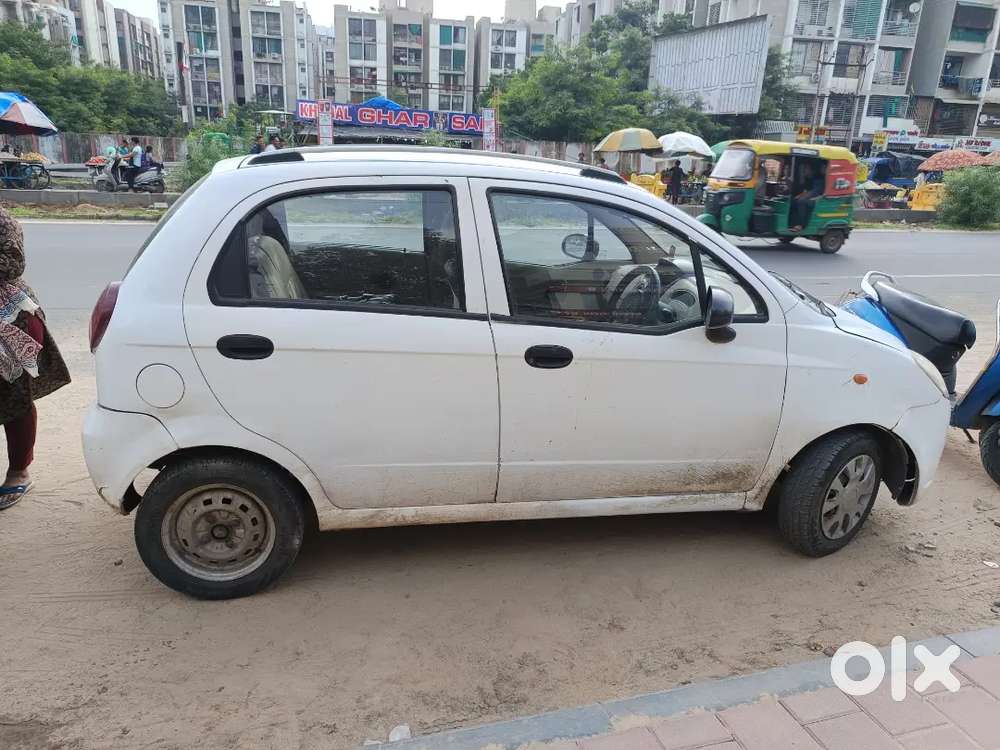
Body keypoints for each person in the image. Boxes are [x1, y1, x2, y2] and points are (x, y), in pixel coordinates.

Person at [0, 205, 70, 509]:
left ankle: (19, 471)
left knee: (14, 397)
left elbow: (13, 263)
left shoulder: (3, 221)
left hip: (10, 320)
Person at [789, 161, 824, 232]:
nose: (804, 170)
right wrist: (798, 196)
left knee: (801, 202)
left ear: (811, 170)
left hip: (818, 200)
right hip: (810, 197)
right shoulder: (808, 179)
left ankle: (801, 225)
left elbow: (815, 192)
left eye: (806, 169)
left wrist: (803, 197)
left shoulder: (819, 179)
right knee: (792, 200)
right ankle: (791, 223)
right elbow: (806, 191)